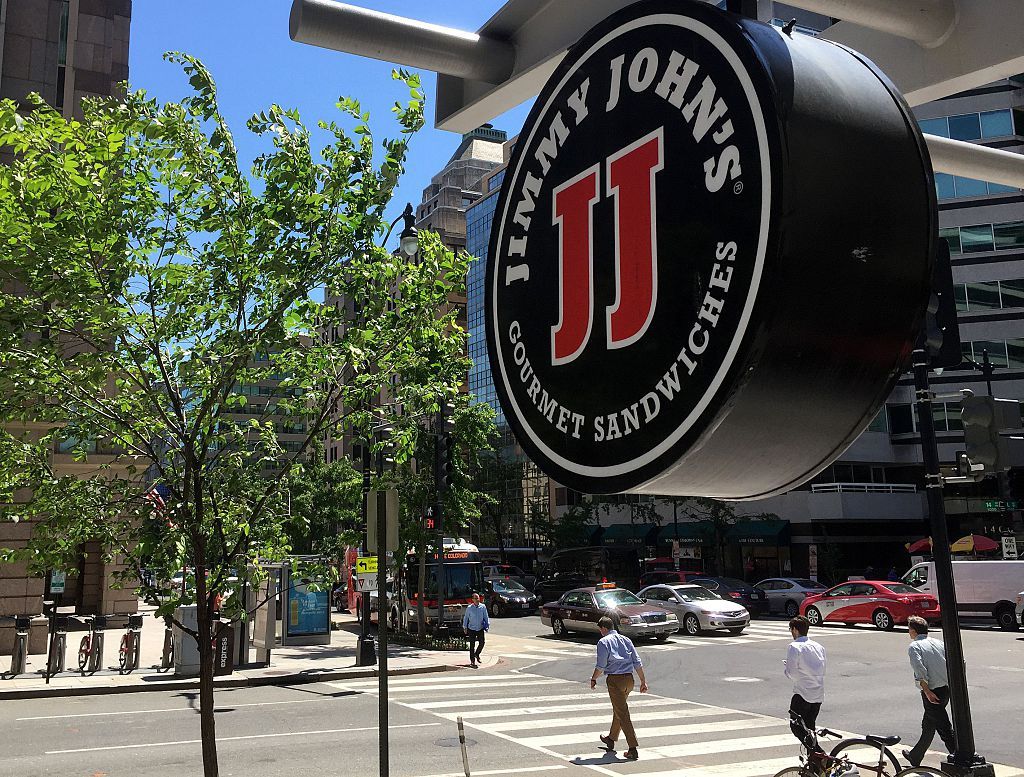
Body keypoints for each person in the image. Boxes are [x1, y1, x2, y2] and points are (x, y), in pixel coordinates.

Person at [590, 615, 648, 761]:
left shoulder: (603, 642)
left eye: (600, 629)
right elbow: (637, 661)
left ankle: (632, 748)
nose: (600, 632)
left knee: (622, 712)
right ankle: (611, 738)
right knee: (619, 709)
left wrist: (593, 678)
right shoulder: (626, 640)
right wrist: (643, 680)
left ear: (603, 628)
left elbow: (601, 665)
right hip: (629, 679)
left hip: (615, 680)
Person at [903, 616, 957, 766]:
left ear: (913, 631)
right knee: (929, 724)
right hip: (945, 689)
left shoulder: (915, 646)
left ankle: (959, 756)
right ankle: (915, 755)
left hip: (932, 691)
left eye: (909, 629)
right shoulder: (940, 643)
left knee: (944, 727)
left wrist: (926, 691)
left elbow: (919, 669)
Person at [784, 615, 827, 749]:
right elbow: (823, 668)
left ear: (795, 630)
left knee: (796, 727)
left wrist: (786, 669)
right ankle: (815, 765)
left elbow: (792, 674)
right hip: (818, 693)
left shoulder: (794, 646)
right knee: (810, 728)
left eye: (790, 629)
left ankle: (820, 757)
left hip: (803, 693)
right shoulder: (819, 646)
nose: (791, 632)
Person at [462, 592, 489, 668]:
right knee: (472, 645)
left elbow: (486, 617)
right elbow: (466, 618)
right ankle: (472, 660)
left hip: (480, 628)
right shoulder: (469, 608)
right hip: (471, 628)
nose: (477, 599)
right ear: (473, 600)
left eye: (478, 598)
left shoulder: (483, 607)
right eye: (476, 598)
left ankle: (477, 654)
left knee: (482, 643)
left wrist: (487, 625)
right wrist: (465, 627)